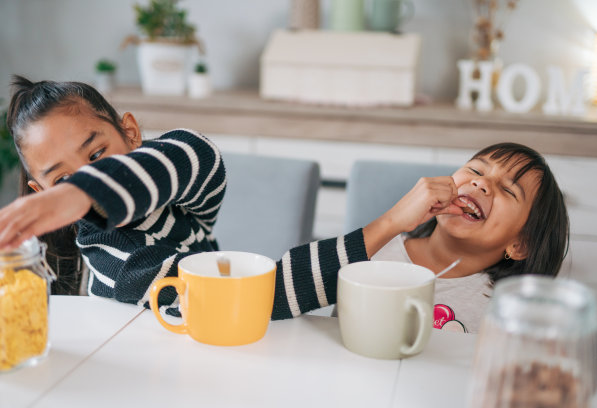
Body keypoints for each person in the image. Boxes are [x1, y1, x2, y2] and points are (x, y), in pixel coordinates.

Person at [1, 75, 463, 319]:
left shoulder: (180, 190)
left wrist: (81, 193)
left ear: (132, 132)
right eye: (63, 180)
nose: (89, 180)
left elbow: (195, 154)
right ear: (41, 194)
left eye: (98, 152)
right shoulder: (113, 259)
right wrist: (389, 224)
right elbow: (260, 297)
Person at [371, 142, 569, 333]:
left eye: (508, 190)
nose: (481, 182)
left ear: (520, 245)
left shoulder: (504, 314)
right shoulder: (374, 247)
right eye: (476, 171)